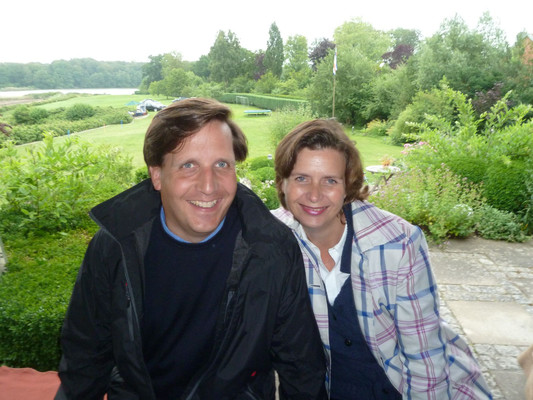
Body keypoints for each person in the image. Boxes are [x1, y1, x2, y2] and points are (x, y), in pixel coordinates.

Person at [55, 98, 327, 400]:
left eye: (222, 165)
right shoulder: (115, 245)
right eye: (188, 166)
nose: (209, 186)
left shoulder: (272, 249)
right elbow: (85, 357)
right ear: (157, 175)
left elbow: (301, 366)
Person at [272, 119, 492, 399]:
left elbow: (425, 361)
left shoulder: (398, 244)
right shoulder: (271, 242)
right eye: (301, 178)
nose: (314, 195)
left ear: (347, 186)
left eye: (330, 180)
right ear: (283, 183)